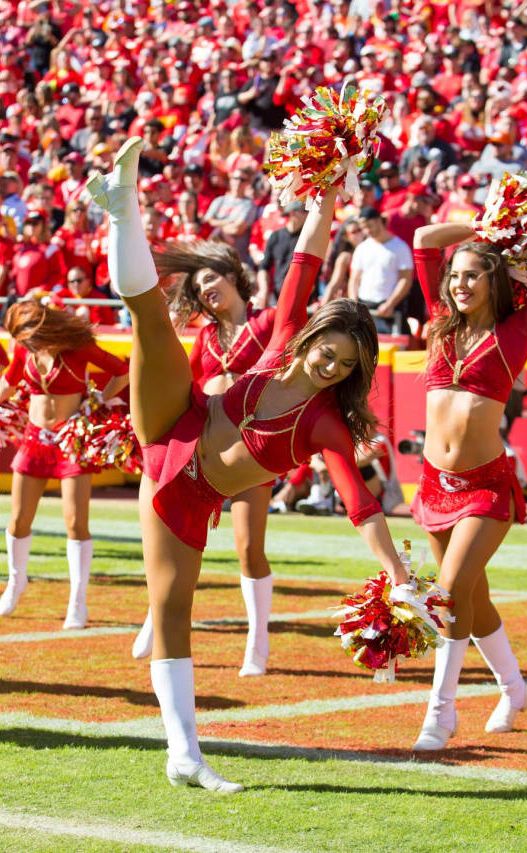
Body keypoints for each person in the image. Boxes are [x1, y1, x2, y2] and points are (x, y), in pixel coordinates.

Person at [86, 136, 409, 793]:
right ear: (315, 337)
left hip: (186, 496)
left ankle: (184, 753)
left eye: (346, 366)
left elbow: (360, 503)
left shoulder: (323, 422)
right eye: (331, 351)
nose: (331, 367)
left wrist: (397, 574)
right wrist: (326, 191)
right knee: (151, 321)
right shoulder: (284, 336)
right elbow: (307, 263)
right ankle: (121, 208)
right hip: (172, 422)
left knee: (173, 611)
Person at [410, 219, 527, 751]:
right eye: (455, 275)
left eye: (473, 276)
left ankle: (440, 714)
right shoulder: (439, 322)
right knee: (473, 597)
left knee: (448, 595)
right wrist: (486, 227)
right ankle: (515, 689)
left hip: (485, 487)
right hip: (433, 485)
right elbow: (427, 239)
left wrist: (519, 235)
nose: (459, 284)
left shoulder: (517, 329)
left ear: (495, 280)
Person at [132, 239, 278, 676]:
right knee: (172, 539)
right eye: (199, 286)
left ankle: (258, 640)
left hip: (250, 452)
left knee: (249, 547)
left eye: (211, 278)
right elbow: (185, 387)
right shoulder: (206, 337)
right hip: (200, 451)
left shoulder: (267, 322)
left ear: (233, 276)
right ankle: (154, 620)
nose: (206, 289)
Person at [0, 298, 129, 628]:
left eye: (28, 337)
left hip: (70, 440)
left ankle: (78, 600)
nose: (25, 344)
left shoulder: (80, 349)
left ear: (43, 327)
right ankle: (16, 583)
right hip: (33, 439)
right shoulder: (25, 352)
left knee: (75, 523)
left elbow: (121, 369)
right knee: (17, 520)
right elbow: (8, 384)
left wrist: (101, 399)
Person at [348, 207, 413, 334]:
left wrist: (390, 304)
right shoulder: (362, 248)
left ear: (378, 221)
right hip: (365, 305)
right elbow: (354, 279)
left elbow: (405, 279)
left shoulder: (400, 247)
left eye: (369, 226)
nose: (367, 231)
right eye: (364, 227)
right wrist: (354, 303)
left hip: (389, 308)